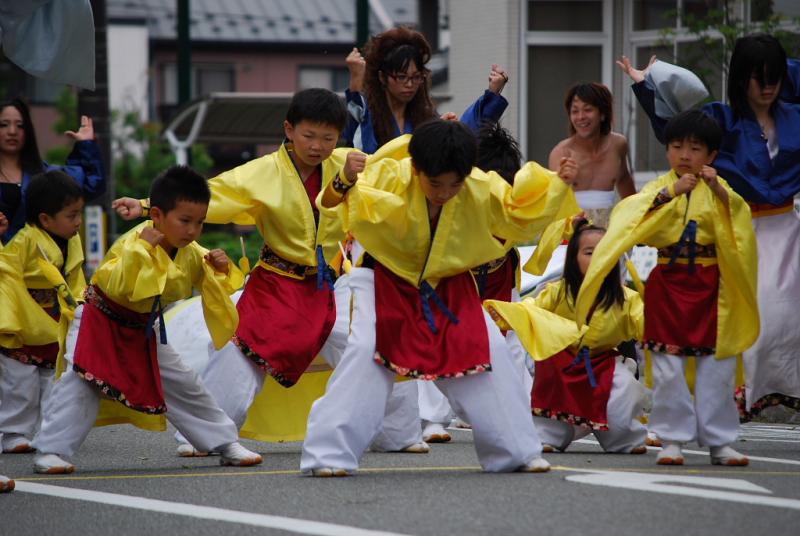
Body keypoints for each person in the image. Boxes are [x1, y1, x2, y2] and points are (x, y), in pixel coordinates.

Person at [114, 88, 427, 456]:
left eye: (328, 138)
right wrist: (146, 205)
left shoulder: (347, 163)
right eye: (309, 135)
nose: (317, 146)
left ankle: (397, 433)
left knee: (377, 341)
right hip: (278, 284)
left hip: (333, 284)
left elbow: (394, 166)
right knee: (243, 352)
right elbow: (211, 195)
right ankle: (202, 437)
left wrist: (434, 143)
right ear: (289, 129)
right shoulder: (262, 173)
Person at [300, 119, 579, 476]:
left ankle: (515, 452)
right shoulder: (387, 175)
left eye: (454, 184)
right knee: (366, 351)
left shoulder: (479, 186)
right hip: (384, 275)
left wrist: (557, 184)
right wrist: (344, 179)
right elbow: (330, 203)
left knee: (489, 350)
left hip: (448, 281)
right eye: (435, 183)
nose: (445, 193)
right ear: (416, 168)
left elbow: (519, 213)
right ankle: (327, 455)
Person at [31, 165, 262, 474]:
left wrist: (220, 269)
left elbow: (214, 284)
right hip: (99, 320)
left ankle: (224, 442)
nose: (192, 230)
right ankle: (51, 451)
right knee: (80, 382)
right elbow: (120, 285)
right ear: (156, 214)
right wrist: (142, 251)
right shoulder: (133, 243)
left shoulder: (191, 251)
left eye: (199, 222)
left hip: (142, 330)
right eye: (184, 221)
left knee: (184, 384)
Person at [618, 34, 800, 418]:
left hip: (787, 225)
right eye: (758, 77)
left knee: (789, 313)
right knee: (755, 309)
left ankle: (771, 389)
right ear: (741, 78)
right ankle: (743, 392)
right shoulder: (722, 119)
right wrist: (648, 85)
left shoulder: (794, 116)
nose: (767, 87)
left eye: (774, 77)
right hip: (739, 229)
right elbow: (675, 132)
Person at [576, 110, 758, 466]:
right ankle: (672, 439)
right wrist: (670, 193)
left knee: (716, 367)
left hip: (712, 287)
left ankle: (720, 442)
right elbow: (632, 220)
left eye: (695, 148)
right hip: (668, 284)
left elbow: (740, 226)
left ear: (712, 155)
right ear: (667, 150)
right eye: (677, 146)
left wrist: (719, 192)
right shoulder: (657, 188)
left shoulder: (721, 189)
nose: (685, 155)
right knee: (667, 367)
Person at [486, 218, 647, 454]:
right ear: (573, 258)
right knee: (549, 386)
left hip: (603, 364)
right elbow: (531, 309)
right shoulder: (557, 292)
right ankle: (548, 436)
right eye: (589, 252)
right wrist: (505, 313)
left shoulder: (626, 298)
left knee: (624, 390)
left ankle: (624, 440)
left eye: (605, 251)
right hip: (560, 364)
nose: (597, 258)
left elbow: (646, 324)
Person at [419, 123, 533, 443]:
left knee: (508, 345)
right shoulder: (452, 199)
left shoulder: (515, 204)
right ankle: (432, 418)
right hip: (454, 279)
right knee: (436, 339)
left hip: (500, 278)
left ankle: (518, 413)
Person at [0, 171, 85, 454]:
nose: (78, 222)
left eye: (79, 214)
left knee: (53, 380)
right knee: (20, 382)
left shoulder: (72, 240)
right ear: (46, 219)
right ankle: (13, 433)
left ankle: (49, 433)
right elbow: (5, 271)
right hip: (23, 318)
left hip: (53, 319)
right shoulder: (25, 240)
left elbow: (75, 278)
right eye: (71, 215)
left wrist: (80, 305)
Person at [343, 27, 510, 153]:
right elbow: (358, 141)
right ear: (382, 77)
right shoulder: (367, 114)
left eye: (416, 77)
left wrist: (492, 93)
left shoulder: (426, 116)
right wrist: (356, 82)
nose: (409, 84)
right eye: (401, 77)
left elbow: (467, 134)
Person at [0, 98, 105, 244]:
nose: (12, 131)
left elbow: (91, 183)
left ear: (28, 130)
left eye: (20, 126)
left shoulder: (45, 176)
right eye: (4, 125)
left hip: (38, 256)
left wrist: (86, 144)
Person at [548, 83, 636, 228]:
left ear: (602, 114)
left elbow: (624, 181)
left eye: (588, 110)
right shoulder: (561, 153)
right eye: (575, 111)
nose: (581, 117)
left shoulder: (618, 145)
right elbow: (552, 203)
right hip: (572, 232)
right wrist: (563, 181)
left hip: (610, 232)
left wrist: (637, 220)